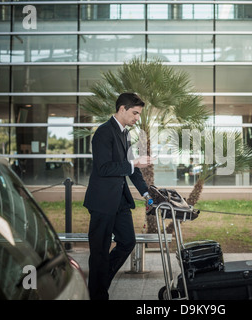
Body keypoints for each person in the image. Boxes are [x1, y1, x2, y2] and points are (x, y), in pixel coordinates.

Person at [83, 92, 153, 300]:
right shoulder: (103, 133)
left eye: (139, 114)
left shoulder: (125, 134)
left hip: (120, 201)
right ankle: (98, 294)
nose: (137, 118)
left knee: (127, 241)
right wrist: (134, 163)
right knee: (100, 253)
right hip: (102, 202)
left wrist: (147, 193)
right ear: (122, 109)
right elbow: (104, 168)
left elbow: (132, 169)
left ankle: (100, 283)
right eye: (135, 113)